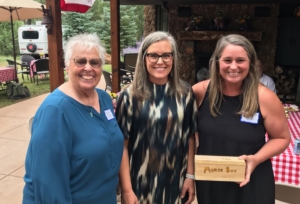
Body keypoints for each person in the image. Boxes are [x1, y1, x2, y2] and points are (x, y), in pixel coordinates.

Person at [22, 33, 124, 204]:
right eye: (81, 61)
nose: (88, 68)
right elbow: (49, 186)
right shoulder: (55, 111)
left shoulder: (104, 99)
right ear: (67, 66)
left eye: (95, 62)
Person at [192, 34, 290, 204]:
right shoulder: (199, 92)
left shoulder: (265, 97)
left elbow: (282, 138)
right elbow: (183, 131)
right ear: (217, 62)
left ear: (250, 63)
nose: (234, 66)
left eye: (240, 60)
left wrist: (256, 159)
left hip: (251, 181)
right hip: (211, 182)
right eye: (227, 60)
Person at [115, 31, 198, 204]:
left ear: (173, 58)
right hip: (140, 183)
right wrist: (127, 190)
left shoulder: (185, 93)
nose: (160, 61)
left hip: (176, 181)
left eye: (166, 55)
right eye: (153, 55)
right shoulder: (130, 96)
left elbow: (190, 136)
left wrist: (190, 175)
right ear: (144, 58)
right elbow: (122, 145)